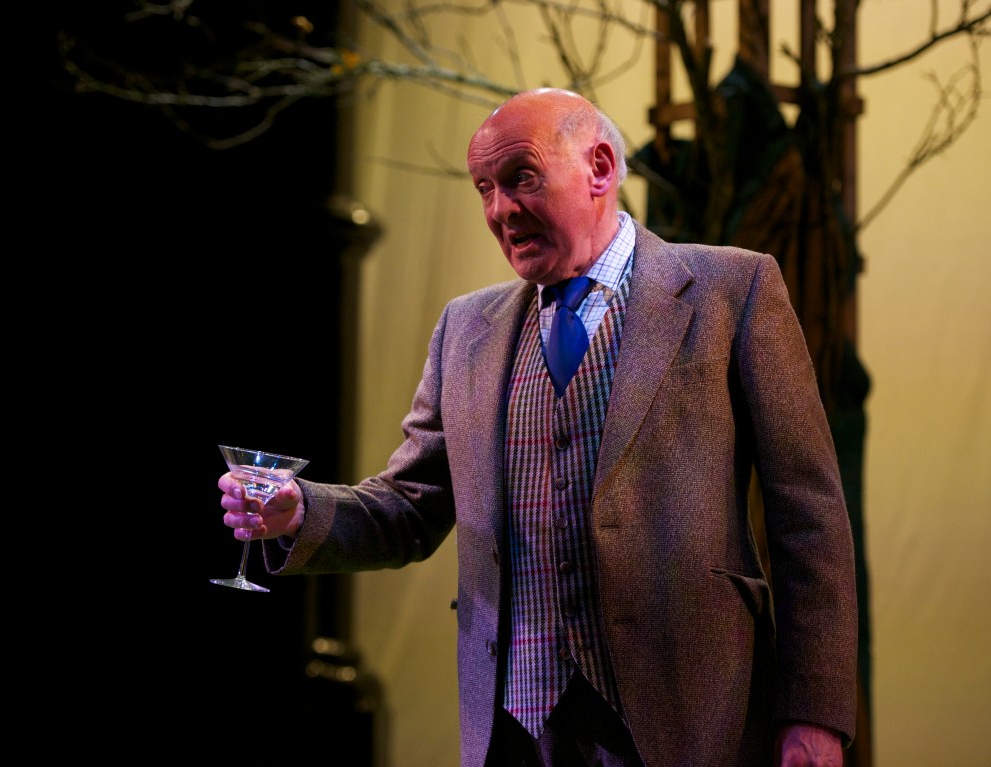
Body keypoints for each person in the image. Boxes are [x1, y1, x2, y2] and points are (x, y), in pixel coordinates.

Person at [218, 88, 857, 767]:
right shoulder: (466, 328)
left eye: (520, 177)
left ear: (600, 168)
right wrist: (300, 511)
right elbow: (409, 506)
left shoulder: (732, 290)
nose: (499, 209)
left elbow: (808, 516)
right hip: (516, 727)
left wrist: (814, 709)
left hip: (692, 717)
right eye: (484, 189)